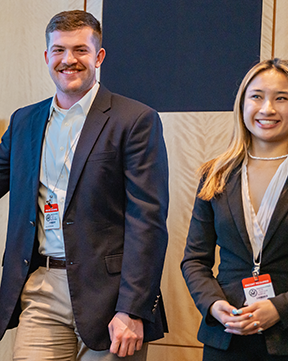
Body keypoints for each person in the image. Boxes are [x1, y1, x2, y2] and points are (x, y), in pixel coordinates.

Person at [0, 10, 169, 361]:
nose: (68, 60)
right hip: (41, 287)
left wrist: (133, 309)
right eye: (59, 50)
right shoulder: (24, 121)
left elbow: (148, 222)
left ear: (98, 56)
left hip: (111, 297)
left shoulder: (134, 120)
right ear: (47, 57)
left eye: (80, 50)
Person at [181, 58, 288, 360]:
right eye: (257, 96)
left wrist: (280, 308)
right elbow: (194, 261)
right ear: (242, 105)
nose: (267, 108)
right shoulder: (216, 174)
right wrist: (214, 305)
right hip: (226, 337)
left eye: (281, 98)